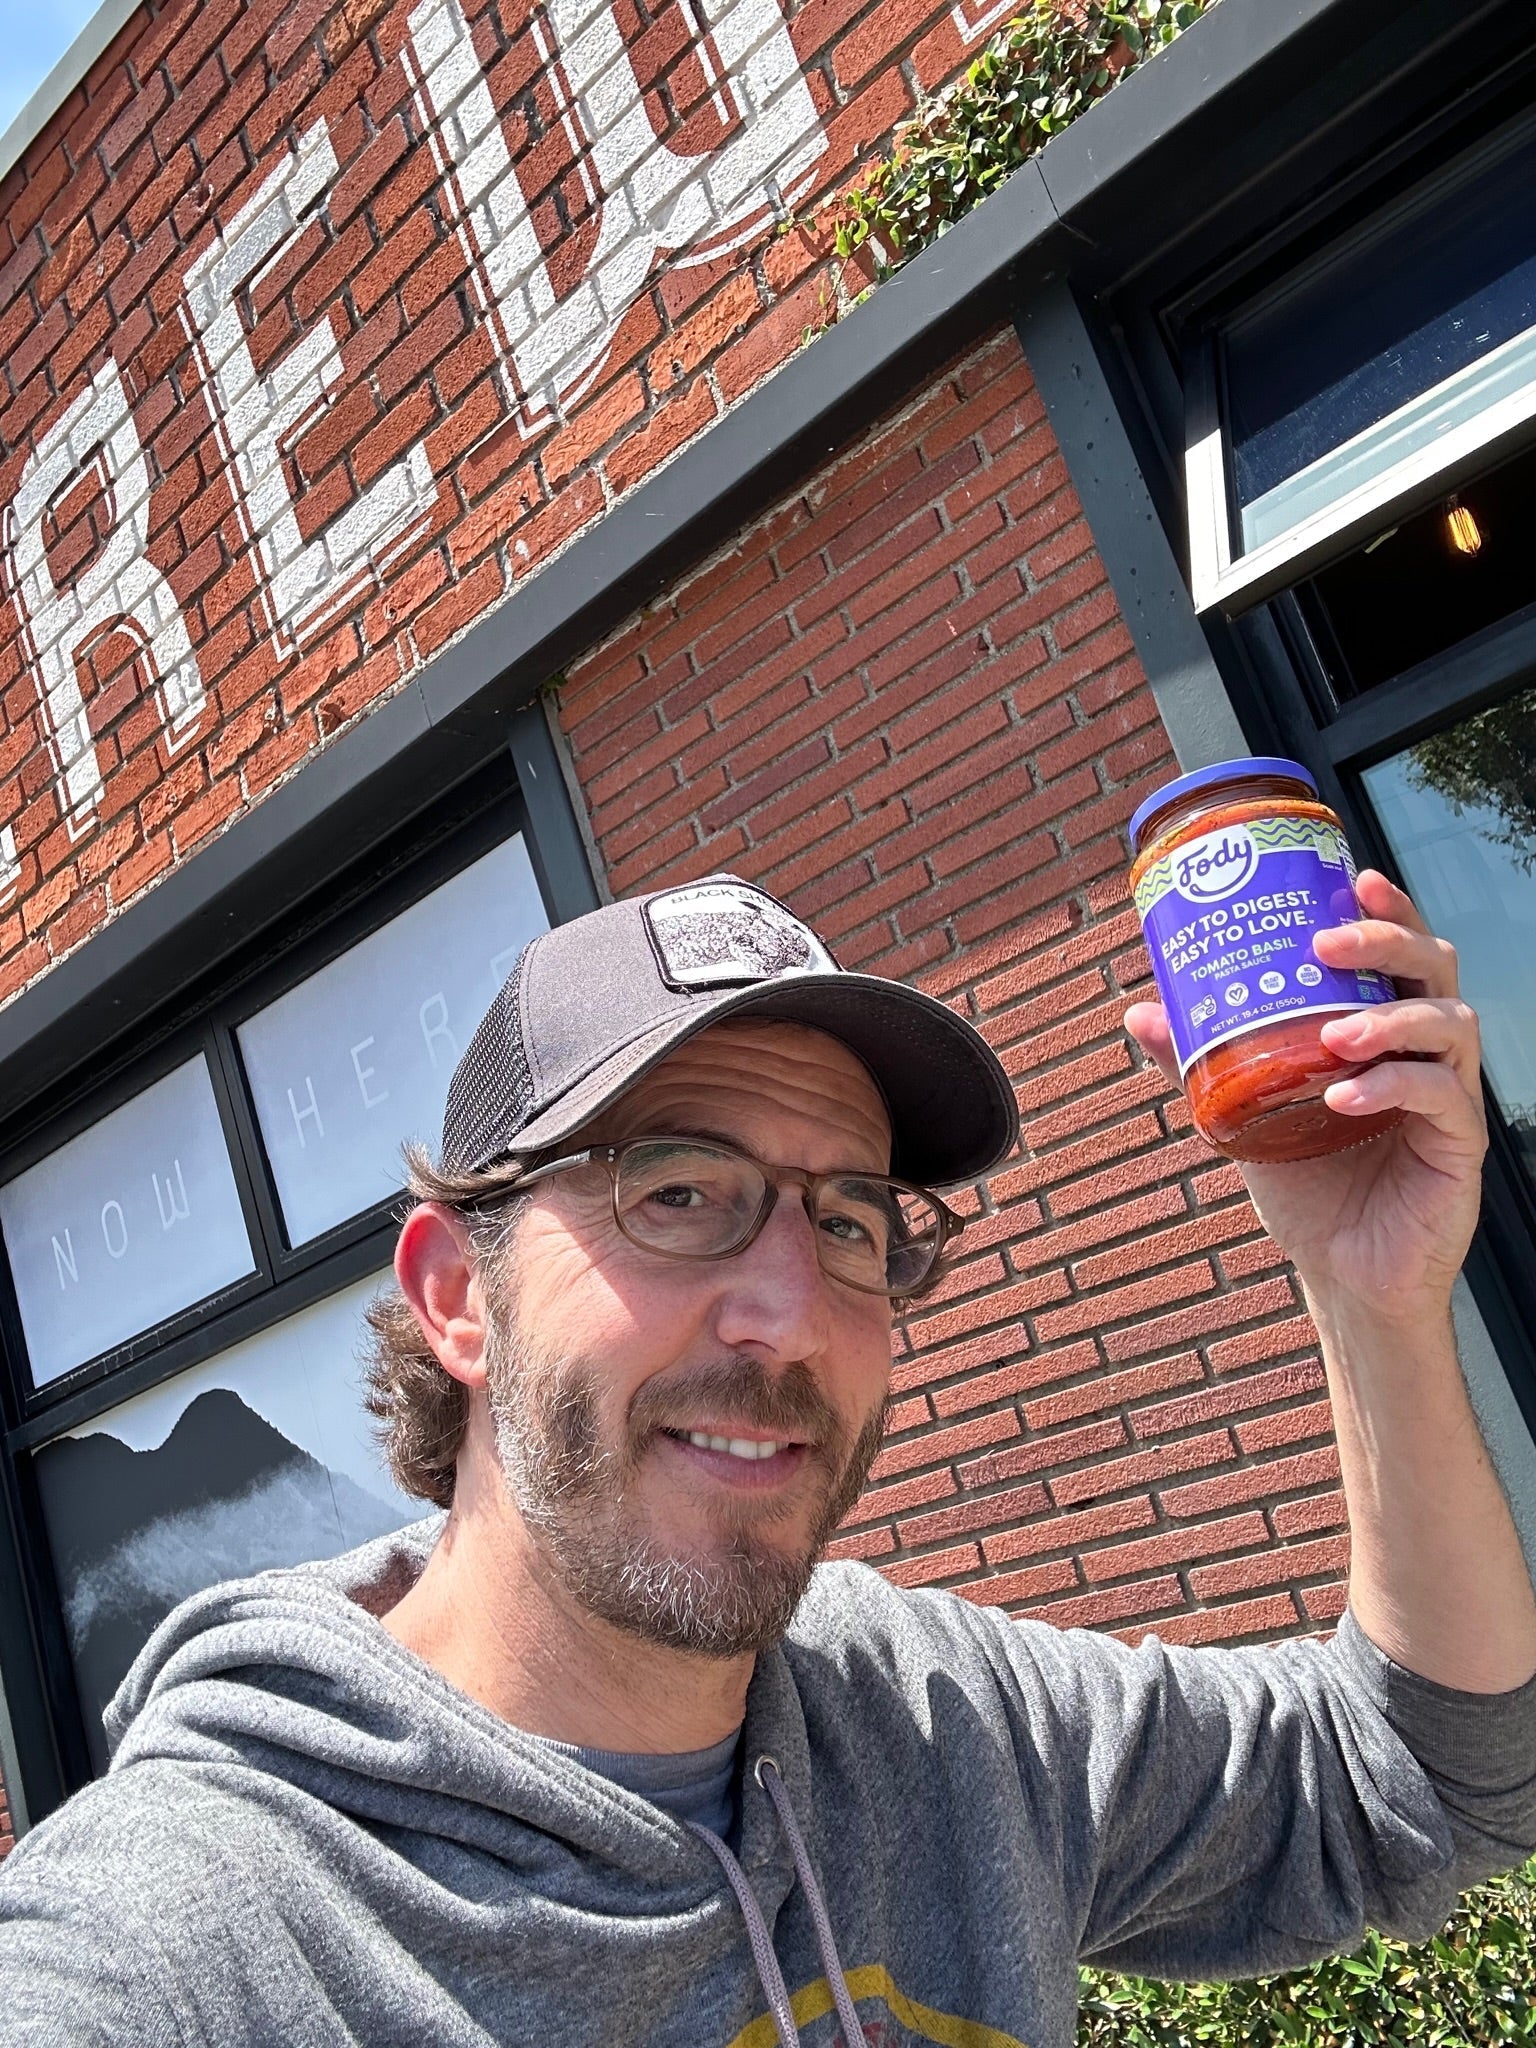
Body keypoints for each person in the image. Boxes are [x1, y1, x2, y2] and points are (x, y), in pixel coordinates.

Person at [0, 871, 1532, 2048]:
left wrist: (1369, 1297)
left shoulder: (939, 1728)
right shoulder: (193, 1946)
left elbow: (1416, 1788)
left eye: (853, 1219)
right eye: (675, 1190)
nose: (793, 1312)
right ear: (459, 1300)